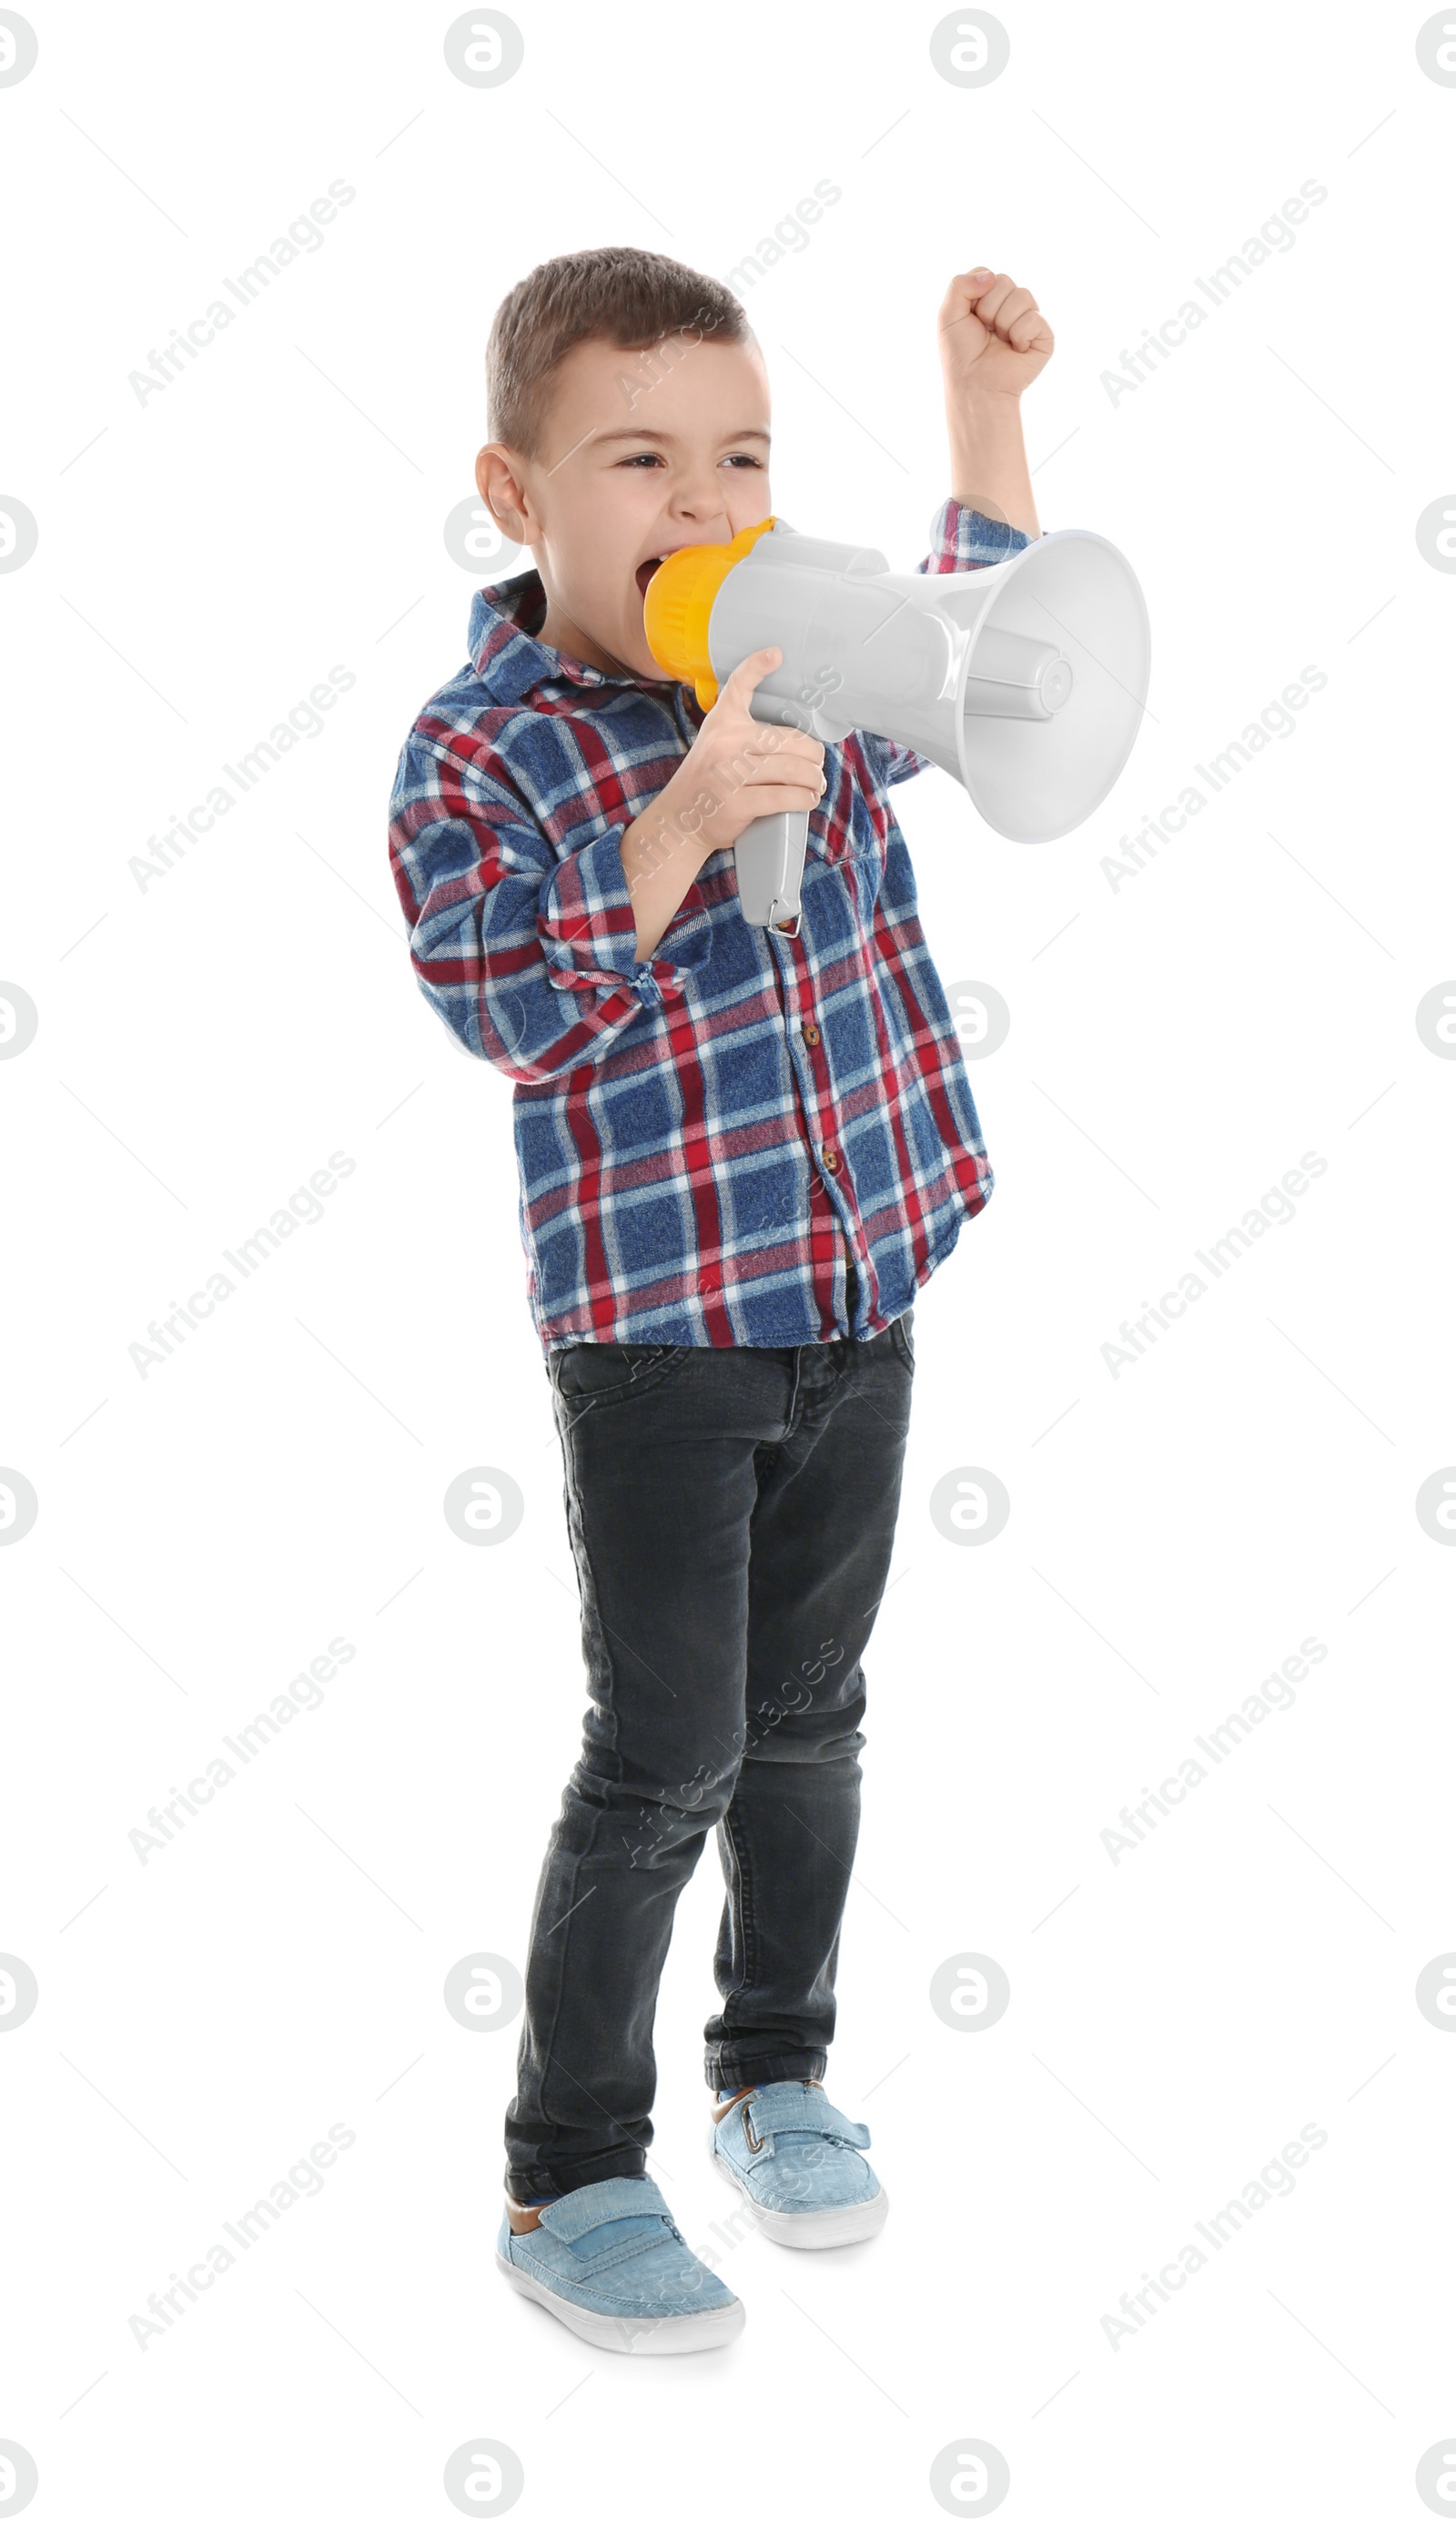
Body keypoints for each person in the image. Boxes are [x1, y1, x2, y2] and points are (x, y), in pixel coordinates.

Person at [388, 244, 1052, 2354]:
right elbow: (501, 996)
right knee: (663, 1745)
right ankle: (567, 2165)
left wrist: (975, 414)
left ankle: (774, 2067)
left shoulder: (814, 648)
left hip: (859, 1283)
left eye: (740, 456)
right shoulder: (478, 746)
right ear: (519, 494)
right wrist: (677, 816)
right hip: (663, 1339)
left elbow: (983, 653)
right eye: (641, 461)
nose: (703, 503)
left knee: (808, 1719)